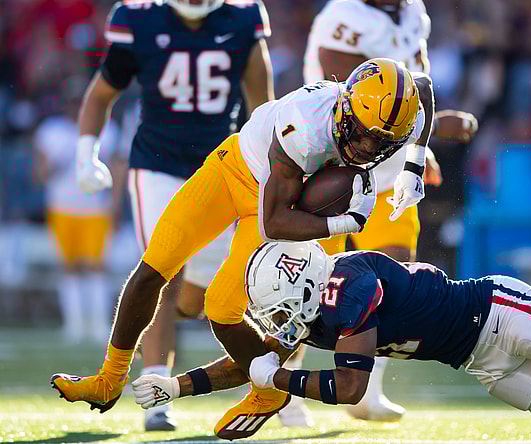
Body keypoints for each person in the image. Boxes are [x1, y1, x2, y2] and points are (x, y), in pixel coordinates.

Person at [51, 58, 436, 438]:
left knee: (231, 308)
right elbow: (273, 223)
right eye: (363, 133)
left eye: (382, 142)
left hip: (293, 199)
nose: (367, 147)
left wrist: (414, 166)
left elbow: (423, 87)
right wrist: (345, 223)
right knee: (155, 265)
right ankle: (109, 379)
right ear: (345, 108)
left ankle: (268, 392)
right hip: (240, 172)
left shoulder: (400, 118)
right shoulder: (305, 125)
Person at [131, 241, 531, 444]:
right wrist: (178, 385)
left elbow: (348, 387)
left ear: (302, 288)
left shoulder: (350, 286)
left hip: (500, 313)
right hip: (483, 364)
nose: (275, 321)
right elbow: (255, 361)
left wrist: (277, 379)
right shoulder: (315, 306)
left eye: (278, 308)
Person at [74, 0, 275, 431]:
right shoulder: (139, 17)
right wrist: (85, 151)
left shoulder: (242, 17)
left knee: (214, 293)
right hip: (157, 164)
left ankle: (271, 377)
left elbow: (264, 105)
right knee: (161, 271)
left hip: (225, 166)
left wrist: (274, 166)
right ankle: (156, 391)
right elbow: (102, 93)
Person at [275, 0, 477, 425]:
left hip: (387, 169)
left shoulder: (412, 11)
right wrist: (434, 125)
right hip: (333, 165)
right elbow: (354, 104)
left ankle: (365, 389)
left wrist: (420, 146)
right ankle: (283, 388)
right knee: (306, 281)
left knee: (393, 277)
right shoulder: (343, 17)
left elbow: (415, 82)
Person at [33, 86, 121, 346]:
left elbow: (117, 168)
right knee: (68, 267)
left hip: (96, 208)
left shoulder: (107, 130)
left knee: (96, 266)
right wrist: (55, 164)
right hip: (62, 207)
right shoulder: (52, 131)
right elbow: (40, 174)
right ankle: (75, 324)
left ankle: (99, 323)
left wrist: (115, 203)